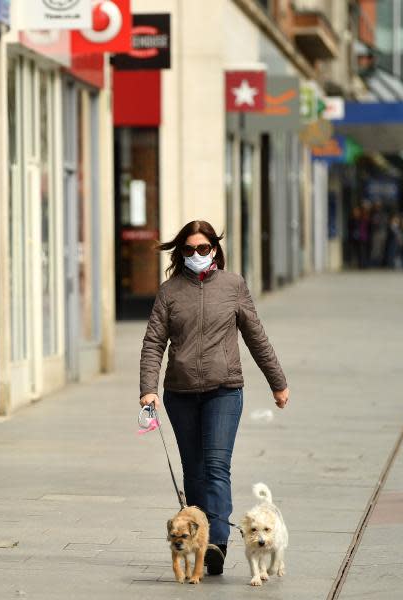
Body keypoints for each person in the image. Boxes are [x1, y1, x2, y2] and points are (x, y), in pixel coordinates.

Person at [138, 220, 289, 577]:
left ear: (214, 251)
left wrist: (277, 382)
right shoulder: (169, 291)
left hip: (225, 390)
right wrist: (148, 388)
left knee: (216, 467)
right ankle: (198, 538)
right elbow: (153, 342)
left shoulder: (233, 285)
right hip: (180, 393)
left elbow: (256, 336)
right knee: (193, 471)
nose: (195, 255)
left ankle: (217, 543)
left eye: (202, 249)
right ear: (181, 253)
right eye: (188, 250)